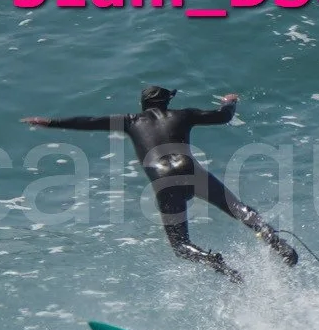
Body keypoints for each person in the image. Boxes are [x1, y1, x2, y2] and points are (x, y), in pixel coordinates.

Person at [24, 86, 299, 280]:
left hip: (164, 181)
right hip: (189, 168)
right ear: (167, 102)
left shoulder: (130, 121)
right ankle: (278, 245)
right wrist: (230, 101)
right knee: (239, 209)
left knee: (180, 245)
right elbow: (223, 116)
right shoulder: (183, 115)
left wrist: (50, 122)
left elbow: (89, 122)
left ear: (143, 106)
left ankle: (216, 263)